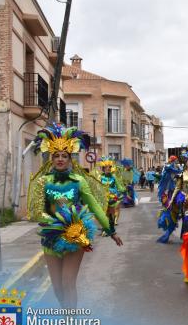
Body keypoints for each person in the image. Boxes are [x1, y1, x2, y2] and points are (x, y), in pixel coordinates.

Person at [27, 124, 123, 309]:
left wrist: (111, 231)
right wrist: (54, 222)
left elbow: (95, 206)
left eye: (65, 155)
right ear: (51, 159)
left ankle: (70, 324)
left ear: (71, 159)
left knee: (68, 283)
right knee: (57, 289)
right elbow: (38, 211)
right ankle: (66, 311)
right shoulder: (43, 182)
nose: (61, 159)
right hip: (50, 238)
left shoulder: (78, 181)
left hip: (75, 236)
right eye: (57, 156)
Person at [156, 156, 184, 244]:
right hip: (169, 195)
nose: (176, 162)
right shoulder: (169, 169)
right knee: (171, 215)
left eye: (176, 161)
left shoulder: (174, 169)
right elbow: (175, 173)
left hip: (174, 194)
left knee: (175, 215)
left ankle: (167, 235)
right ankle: (167, 235)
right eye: (175, 161)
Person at [97, 156, 125, 229]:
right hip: (103, 197)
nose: (108, 168)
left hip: (112, 197)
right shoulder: (100, 177)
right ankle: (105, 227)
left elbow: (119, 186)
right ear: (103, 168)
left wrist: (123, 189)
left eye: (110, 167)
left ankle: (110, 225)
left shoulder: (113, 177)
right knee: (104, 212)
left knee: (111, 212)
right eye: (107, 167)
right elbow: (97, 187)